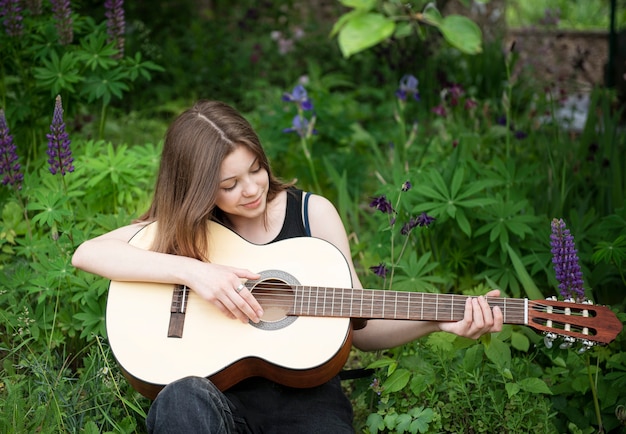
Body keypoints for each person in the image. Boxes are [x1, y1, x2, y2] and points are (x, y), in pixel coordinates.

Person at [72, 100, 503, 433]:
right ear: (196, 189)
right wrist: (195, 272)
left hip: (307, 402)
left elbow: (363, 327)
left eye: (255, 169)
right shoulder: (193, 229)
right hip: (212, 397)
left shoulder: (313, 215)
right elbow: (88, 253)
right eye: (228, 184)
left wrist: (439, 319)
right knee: (180, 401)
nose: (251, 189)